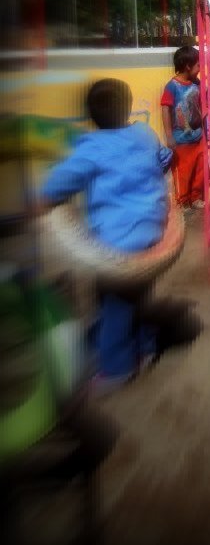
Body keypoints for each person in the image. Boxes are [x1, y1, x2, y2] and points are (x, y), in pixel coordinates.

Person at [36, 78, 173, 389]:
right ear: (127, 108)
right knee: (138, 293)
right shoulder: (143, 134)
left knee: (113, 303)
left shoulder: (90, 148)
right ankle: (147, 345)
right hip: (153, 232)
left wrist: (43, 199)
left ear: (90, 116)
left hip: (118, 245)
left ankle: (117, 368)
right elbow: (163, 160)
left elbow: (60, 182)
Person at [161, 45, 204, 210]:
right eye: (198, 65)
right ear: (188, 66)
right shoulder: (172, 86)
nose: (200, 68)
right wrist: (169, 135)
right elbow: (165, 108)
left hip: (198, 136)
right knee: (183, 171)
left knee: (200, 169)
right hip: (181, 139)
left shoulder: (196, 83)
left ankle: (196, 197)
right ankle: (182, 200)